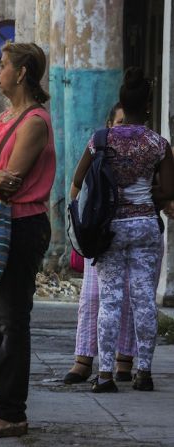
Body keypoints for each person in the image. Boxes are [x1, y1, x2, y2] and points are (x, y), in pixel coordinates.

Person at [0, 42, 55, 440]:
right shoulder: (4, 118)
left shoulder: (34, 121)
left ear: (21, 74)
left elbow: (12, 180)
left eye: (2, 66)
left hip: (22, 226)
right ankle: (5, 406)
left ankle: (11, 411)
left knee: (12, 320)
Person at [72, 67, 174, 393]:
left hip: (110, 227)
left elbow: (78, 183)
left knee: (111, 299)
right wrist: (144, 196)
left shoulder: (101, 139)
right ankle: (143, 372)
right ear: (147, 107)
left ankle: (104, 375)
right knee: (144, 299)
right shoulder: (159, 144)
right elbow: (169, 191)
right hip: (145, 226)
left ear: (121, 103)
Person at [64, 102, 137, 385]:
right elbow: (77, 182)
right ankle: (83, 360)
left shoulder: (144, 152)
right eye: (118, 124)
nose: (122, 130)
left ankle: (124, 362)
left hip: (130, 234)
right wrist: (76, 219)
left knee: (129, 299)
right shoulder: (99, 147)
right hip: (100, 233)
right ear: (109, 126)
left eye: (126, 124)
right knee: (92, 297)